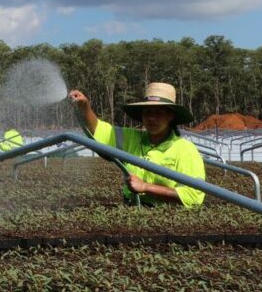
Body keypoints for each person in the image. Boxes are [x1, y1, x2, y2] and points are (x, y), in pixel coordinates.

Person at [70, 82, 205, 208]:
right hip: (132, 210)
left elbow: (193, 196)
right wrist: (84, 105)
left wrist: (146, 187)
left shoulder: (185, 149)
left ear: (170, 116)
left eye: (159, 113)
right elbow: (99, 130)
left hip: (169, 219)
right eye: (147, 112)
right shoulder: (132, 138)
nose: (152, 118)